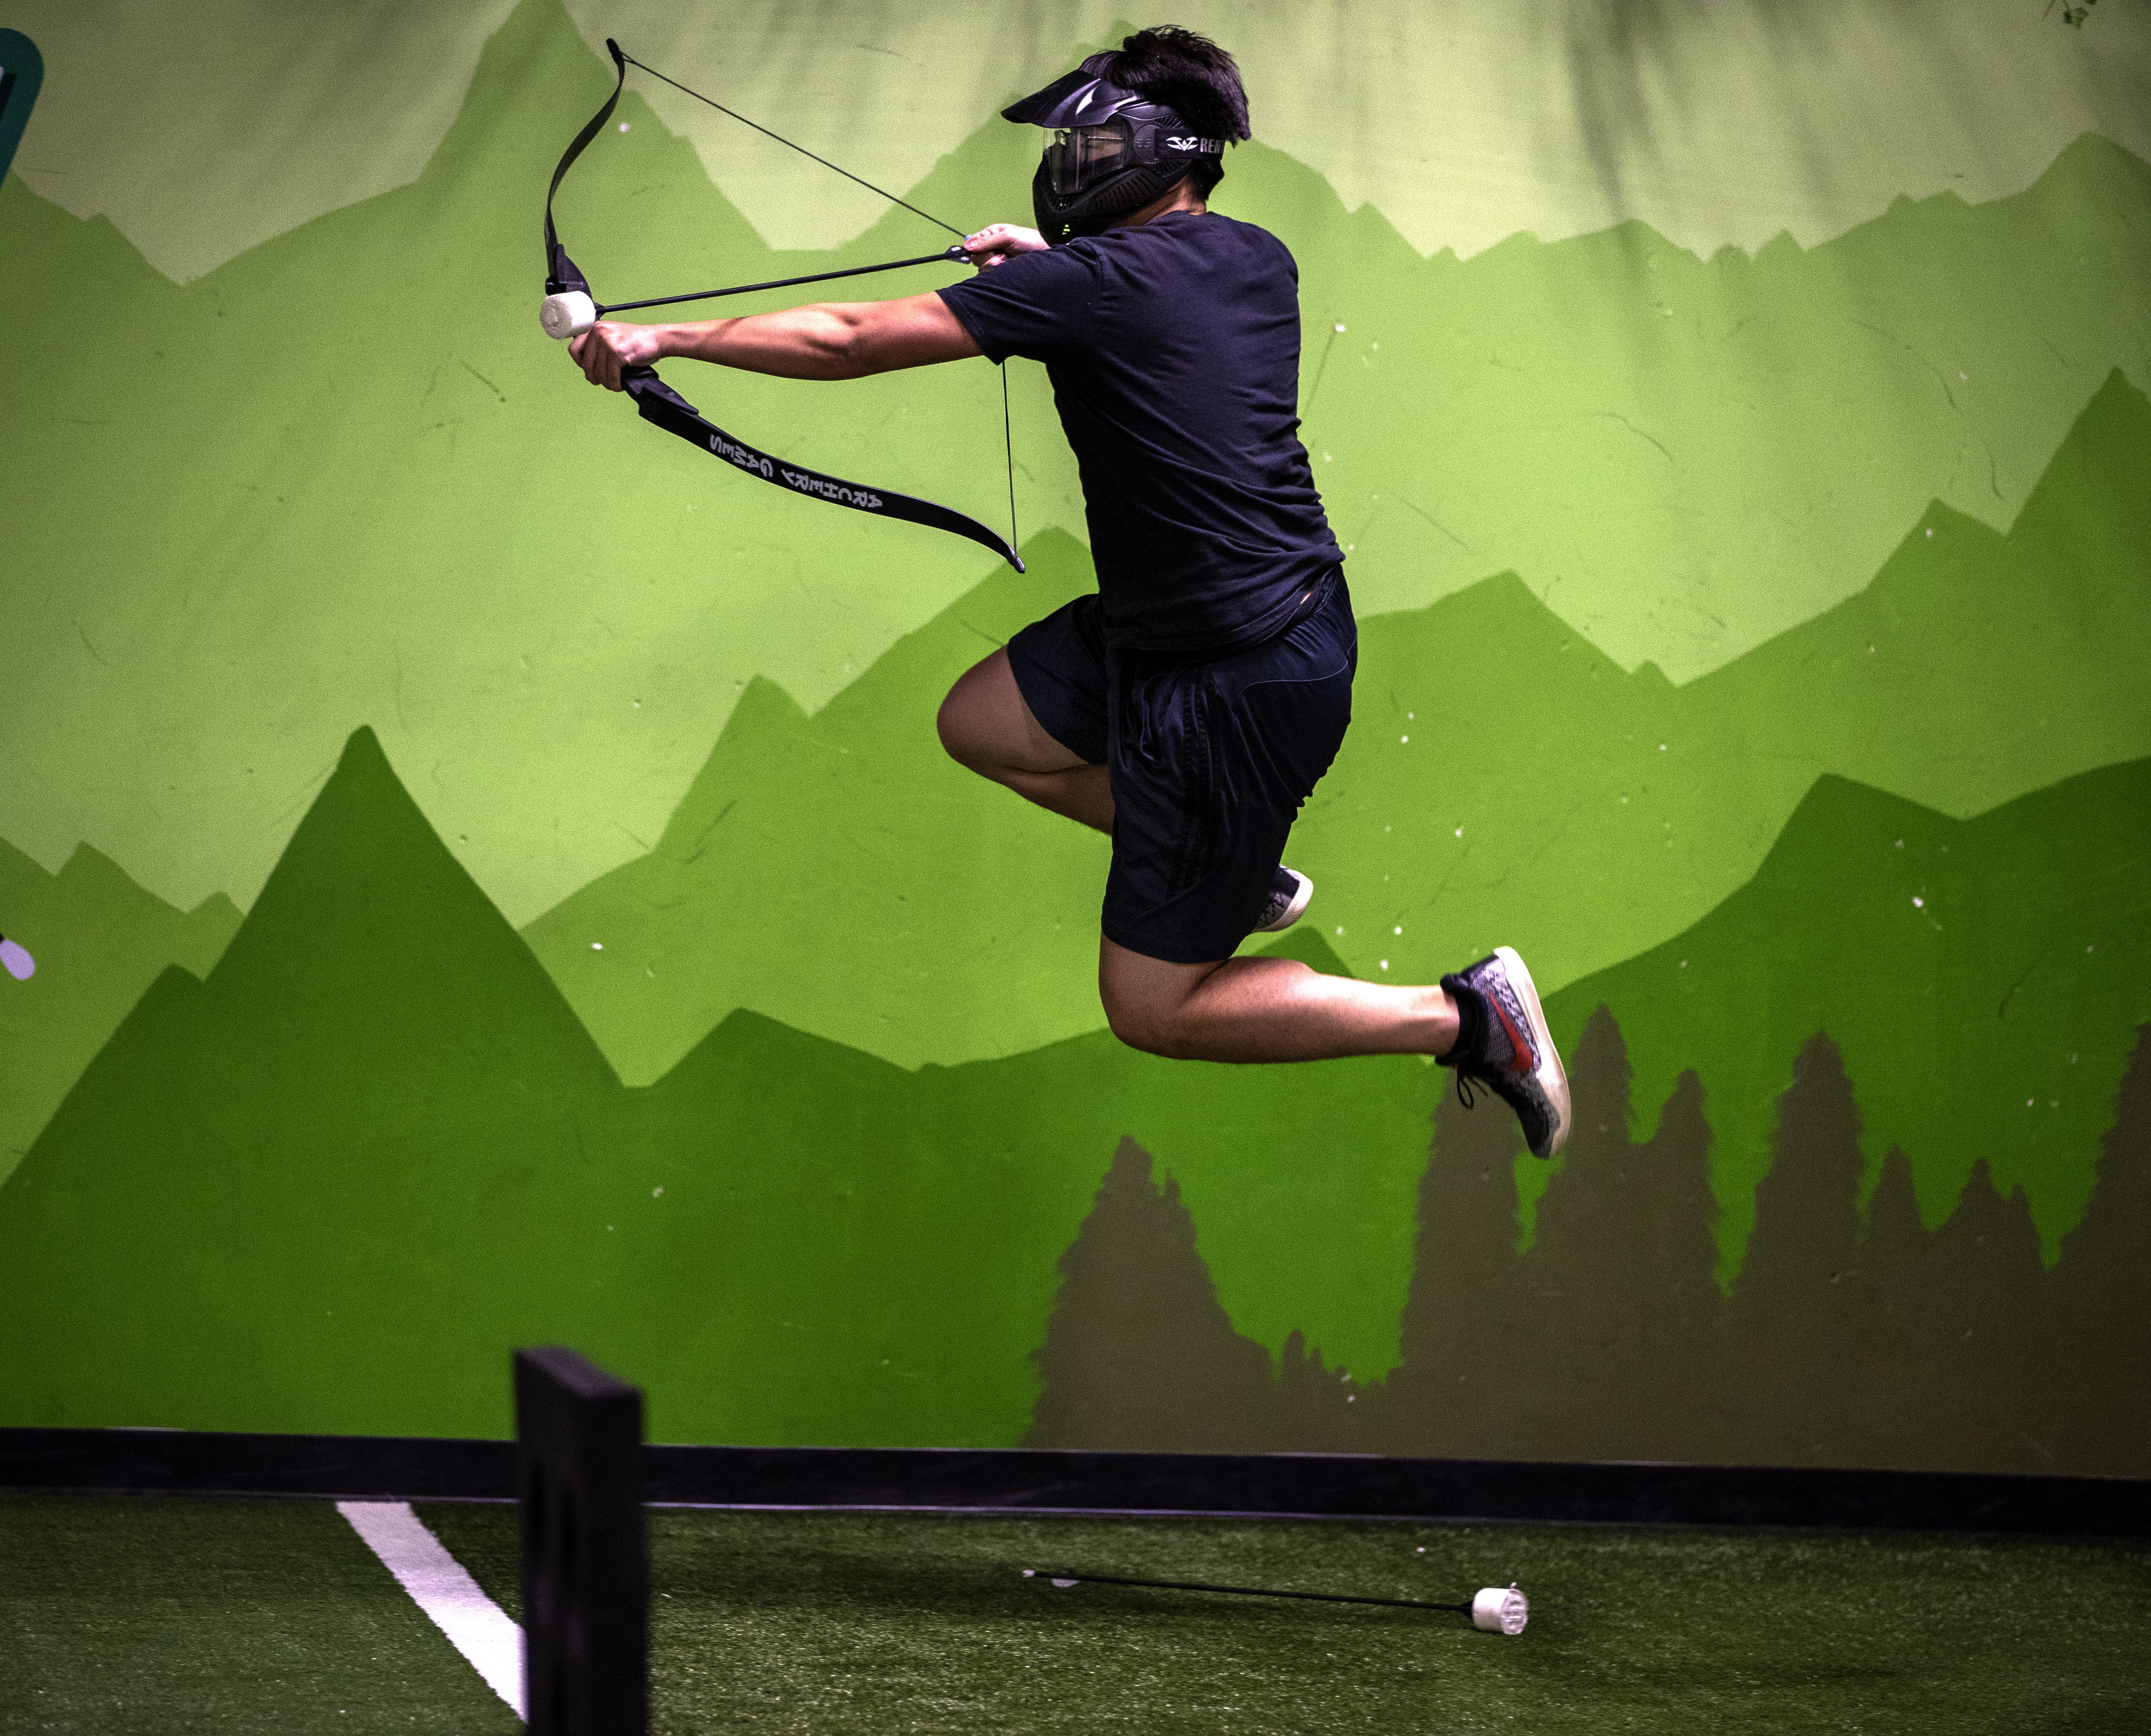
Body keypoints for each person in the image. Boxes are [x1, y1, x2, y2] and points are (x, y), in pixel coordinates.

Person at [569, 28, 1570, 1157]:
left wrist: (664, 337)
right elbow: (1140, 311)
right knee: (982, 723)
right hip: (1202, 631)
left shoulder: (1092, 282)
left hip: (1236, 675)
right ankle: (1237, 871)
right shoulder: (1253, 257)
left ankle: (1469, 1015)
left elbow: (852, 338)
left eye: (1092, 138)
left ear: (1160, 145)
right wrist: (1044, 272)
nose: (1069, 161)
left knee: (1155, 1008)